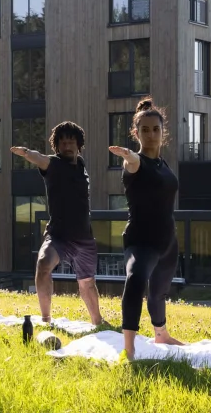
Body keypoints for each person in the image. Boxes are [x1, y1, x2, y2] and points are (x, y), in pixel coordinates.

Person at [109, 99, 186, 360]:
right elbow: (133, 162)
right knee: (136, 281)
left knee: (158, 293)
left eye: (156, 129)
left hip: (167, 241)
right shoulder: (135, 164)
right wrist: (129, 156)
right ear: (136, 133)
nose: (151, 134)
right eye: (145, 129)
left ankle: (161, 333)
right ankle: (129, 349)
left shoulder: (163, 165)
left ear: (163, 132)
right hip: (141, 241)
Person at [10, 122, 104, 326]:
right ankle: (46, 319)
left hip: (84, 237)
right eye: (63, 142)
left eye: (71, 141)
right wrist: (26, 152)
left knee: (87, 283)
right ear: (57, 146)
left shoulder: (81, 165)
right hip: (59, 235)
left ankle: (98, 321)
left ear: (79, 145)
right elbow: (40, 158)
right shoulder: (54, 164)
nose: (67, 146)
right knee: (43, 264)